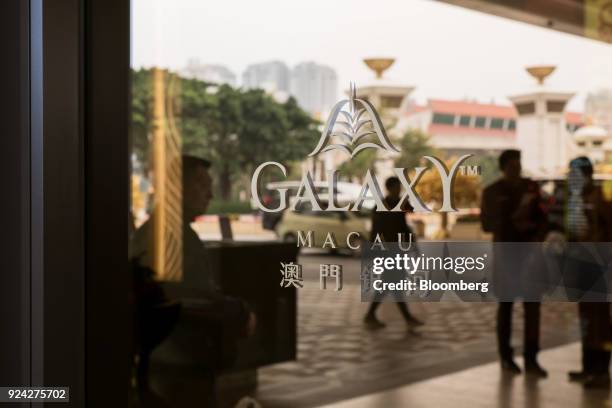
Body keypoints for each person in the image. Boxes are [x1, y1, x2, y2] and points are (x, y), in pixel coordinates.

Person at [130, 155, 256, 405]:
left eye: (209, 185)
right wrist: (241, 313)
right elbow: (193, 299)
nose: (209, 193)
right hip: (175, 365)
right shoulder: (171, 237)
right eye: (201, 184)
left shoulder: (166, 231)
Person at [480, 150, 547, 377]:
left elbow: (544, 218)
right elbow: (487, 225)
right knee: (506, 306)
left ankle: (532, 358)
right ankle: (506, 357)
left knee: (533, 308)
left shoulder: (532, 189)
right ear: (504, 167)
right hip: (506, 256)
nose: (517, 169)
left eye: (519, 164)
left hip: (530, 256)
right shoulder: (491, 192)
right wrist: (510, 218)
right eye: (512, 165)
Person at [563, 157, 612, 388]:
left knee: (600, 321)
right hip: (581, 266)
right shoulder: (576, 200)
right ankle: (588, 368)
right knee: (585, 320)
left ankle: (602, 371)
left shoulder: (600, 197)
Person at [363, 176, 424, 329]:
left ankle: (372, 315)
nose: (399, 190)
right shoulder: (380, 207)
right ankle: (406, 318)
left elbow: (404, 227)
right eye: (397, 187)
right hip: (387, 251)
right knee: (392, 284)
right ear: (389, 188)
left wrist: (413, 247)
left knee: (390, 284)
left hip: (397, 250)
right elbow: (376, 232)